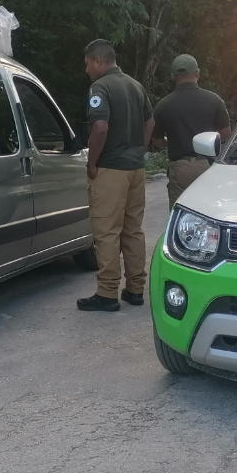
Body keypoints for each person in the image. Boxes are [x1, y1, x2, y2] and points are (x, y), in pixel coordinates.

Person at [78, 39, 153, 312]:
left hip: (111, 168)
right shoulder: (136, 85)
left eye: (87, 64)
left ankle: (107, 293)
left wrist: (92, 163)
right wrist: (139, 150)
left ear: (98, 60)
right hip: (136, 168)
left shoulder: (100, 87)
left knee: (107, 231)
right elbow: (150, 121)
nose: (86, 70)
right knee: (132, 230)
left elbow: (99, 128)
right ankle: (135, 289)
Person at [151, 54, 232, 207]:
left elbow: (156, 140)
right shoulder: (214, 100)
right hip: (209, 166)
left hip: (180, 168)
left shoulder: (163, 105)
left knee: (181, 212)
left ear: (173, 76)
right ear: (197, 73)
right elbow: (226, 133)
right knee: (208, 211)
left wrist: (174, 142)